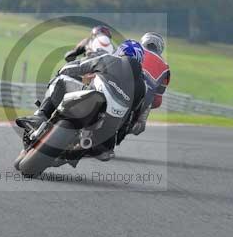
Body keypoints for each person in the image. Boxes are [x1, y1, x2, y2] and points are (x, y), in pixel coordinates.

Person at [18, 40, 146, 161]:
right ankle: (87, 148)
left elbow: (82, 66)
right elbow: (131, 112)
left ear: (121, 52)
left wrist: (62, 71)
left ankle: (41, 115)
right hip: (107, 131)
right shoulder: (142, 86)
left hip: (92, 98)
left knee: (61, 80)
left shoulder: (111, 59)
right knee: (103, 149)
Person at [118, 32, 170, 141]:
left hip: (121, 85)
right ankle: (136, 122)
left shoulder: (133, 49)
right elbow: (158, 98)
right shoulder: (165, 67)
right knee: (140, 126)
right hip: (143, 96)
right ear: (160, 47)